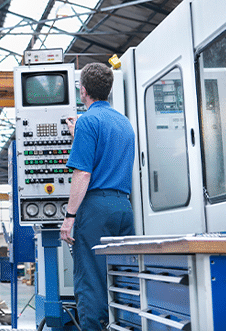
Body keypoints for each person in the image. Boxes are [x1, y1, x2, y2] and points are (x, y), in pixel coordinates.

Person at [60, 62, 135, 331]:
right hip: (123, 206)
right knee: (120, 278)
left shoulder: (88, 121)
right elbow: (108, 158)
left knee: (91, 280)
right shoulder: (123, 122)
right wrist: (76, 136)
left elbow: (83, 174)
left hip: (96, 209)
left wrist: (69, 217)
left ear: (83, 90)